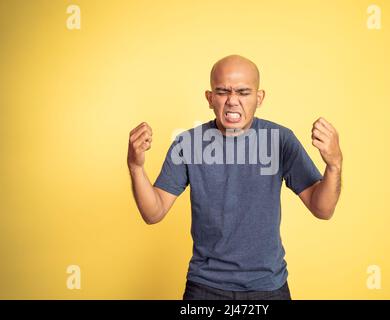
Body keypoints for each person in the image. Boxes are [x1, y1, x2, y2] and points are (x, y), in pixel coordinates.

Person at [127, 55, 343, 300]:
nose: (232, 101)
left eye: (243, 92)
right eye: (222, 92)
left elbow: (322, 209)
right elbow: (153, 212)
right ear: (210, 98)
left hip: (268, 286)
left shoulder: (280, 140)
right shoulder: (187, 144)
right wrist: (136, 167)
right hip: (205, 287)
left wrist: (334, 165)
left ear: (259, 98)